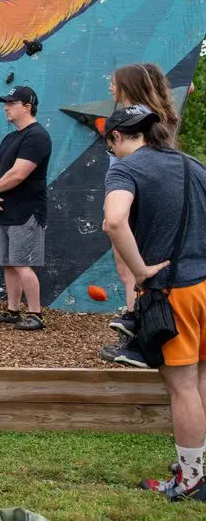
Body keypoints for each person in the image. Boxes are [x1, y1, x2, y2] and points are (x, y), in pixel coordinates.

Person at [100, 104, 206, 501]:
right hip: (204, 284)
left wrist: (140, 270)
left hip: (173, 291)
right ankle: (194, 465)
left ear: (116, 137)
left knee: (182, 388)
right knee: (199, 382)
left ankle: (192, 481)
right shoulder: (192, 164)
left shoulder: (125, 169)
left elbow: (114, 220)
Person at [102, 64, 181, 346]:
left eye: (114, 83)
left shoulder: (146, 122)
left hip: (137, 196)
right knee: (126, 268)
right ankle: (135, 319)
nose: (111, 88)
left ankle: (142, 327)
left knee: (139, 268)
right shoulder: (131, 119)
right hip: (122, 193)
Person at [0, 86, 52, 331]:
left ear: (27, 106)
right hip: (5, 210)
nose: (6, 107)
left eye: (12, 103)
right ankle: (13, 310)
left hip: (27, 211)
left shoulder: (37, 136)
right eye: (6, 102)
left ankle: (36, 313)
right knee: (9, 263)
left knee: (22, 263)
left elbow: (18, 174)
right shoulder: (10, 137)